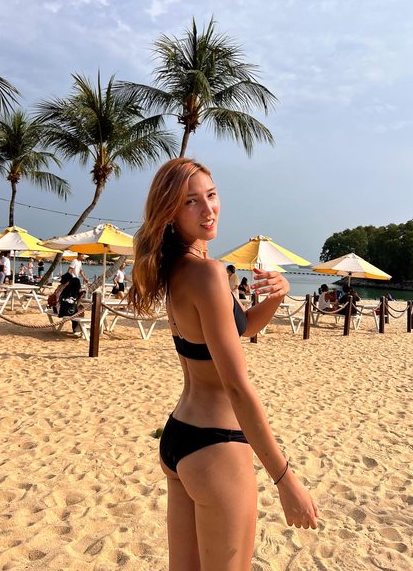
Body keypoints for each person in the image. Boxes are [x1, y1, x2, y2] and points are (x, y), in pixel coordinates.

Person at [128, 159, 318, 571]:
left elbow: (241, 327)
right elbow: (236, 387)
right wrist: (285, 479)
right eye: (191, 201)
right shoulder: (210, 273)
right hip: (217, 446)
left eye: (211, 195)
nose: (208, 209)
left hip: (180, 436)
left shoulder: (180, 269)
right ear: (171, 213)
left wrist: (276, 296)